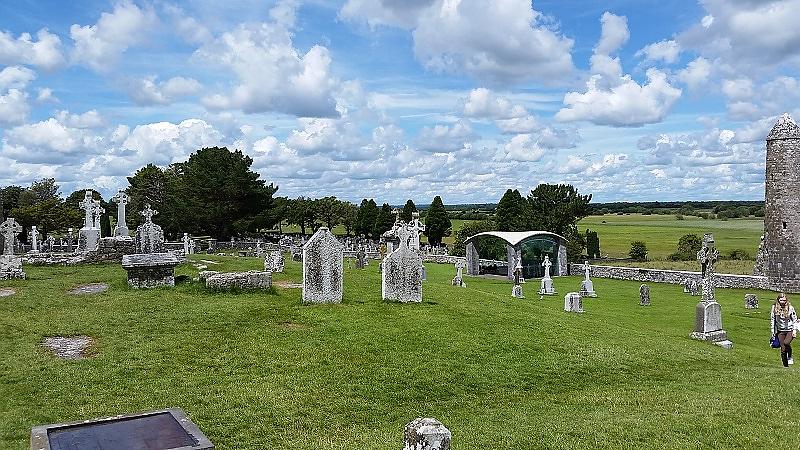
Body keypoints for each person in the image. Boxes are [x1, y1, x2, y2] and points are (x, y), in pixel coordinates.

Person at [771, 293, 797, 367]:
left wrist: (794, 331)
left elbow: (794, 320)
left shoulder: (790, 308)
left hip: (790, 330)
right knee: (783, 349)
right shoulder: (774, 308)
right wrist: (773, 332)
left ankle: (790, 356)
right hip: (780, 330)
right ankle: (785, 366)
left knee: (786, 343)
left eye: (784, 300)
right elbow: (773, 320)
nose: (782, 302)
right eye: (781, 300)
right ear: (778, 300)